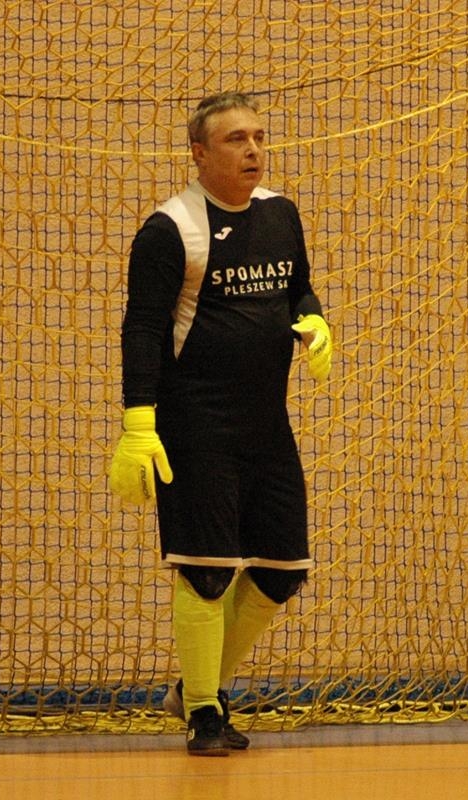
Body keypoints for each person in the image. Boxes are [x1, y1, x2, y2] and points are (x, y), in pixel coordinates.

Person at [109, 91, 332, 756]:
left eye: (259, 136)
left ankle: (194, 686)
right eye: (236, 139)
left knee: (281, 570)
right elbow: (142, 329)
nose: (253, 149)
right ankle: (205, 712)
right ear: (199, 154)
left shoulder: (280, 214)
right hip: (195, 425)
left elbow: (298, 286)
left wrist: (314, 319)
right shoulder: (169, 229)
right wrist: (138, 424)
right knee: (206, 572)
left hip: (267, 425)